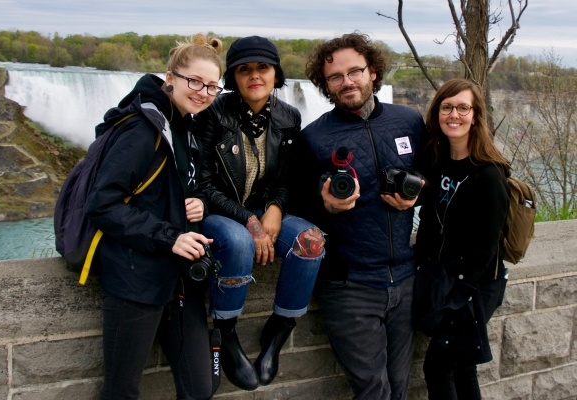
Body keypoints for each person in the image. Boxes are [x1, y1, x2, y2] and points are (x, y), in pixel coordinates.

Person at [85, 34, 223, 400]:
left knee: (200, 389)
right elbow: (103, 204)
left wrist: (196, 205)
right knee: (121, 390)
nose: (203, 92)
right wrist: (170, 236)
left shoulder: (186, 125)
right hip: (136, 278)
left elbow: (169, 190)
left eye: (212, 86)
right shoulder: (141, 128)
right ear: (170, 78)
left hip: (179, 278)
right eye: (194, 81)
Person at [289, 32, 427, 399]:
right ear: (325, 84)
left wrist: (417, 193)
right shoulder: (314, 138)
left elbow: (432, 175)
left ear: (373, 72)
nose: (346, 82)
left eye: (355, 71)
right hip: (349, 286)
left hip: (405, 278)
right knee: (372, 390)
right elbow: (295, 206)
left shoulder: (410, 122)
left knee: (399, 386)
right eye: (335, 77)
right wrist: (324, 204)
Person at [191, 36, 325, 391]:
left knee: (311, 240)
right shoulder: (212, 113)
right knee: (238, 243)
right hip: (220, 212)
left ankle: (280, 330)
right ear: (232, 77)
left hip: (264, 210)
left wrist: (276, 210)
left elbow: (286, 177)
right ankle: (225, 331)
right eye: (244, 69)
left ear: (275, 73)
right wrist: (249, 220)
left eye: (262, 68)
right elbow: (203, 184)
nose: (254, 76)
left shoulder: (288, 117)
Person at [413, 78, 510, 399]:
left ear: (476, 116)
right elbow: (429, 223)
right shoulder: (436, 161)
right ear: (437, 113)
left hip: (474, 285)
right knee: (462, 366)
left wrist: (458, 294)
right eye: (447, 107)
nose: (454, 115)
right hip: (444, 276)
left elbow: (485, 247)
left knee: (438, 367)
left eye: (463, 108)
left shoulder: (489, 174)